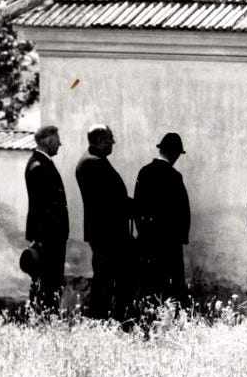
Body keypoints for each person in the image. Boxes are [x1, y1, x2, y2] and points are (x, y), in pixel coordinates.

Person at [75, 124, 133, 321]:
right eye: (110, 138)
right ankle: (101, 320)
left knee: (106, 279)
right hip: (108, 234)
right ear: (100, 140)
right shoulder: (94, 163)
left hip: (105, 232)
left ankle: (104, 320)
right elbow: (111, 201)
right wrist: (138, 206)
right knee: (106, 280)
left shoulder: (93, 161)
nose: (113, 142)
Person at [134, 132, 191, 305]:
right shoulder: (173, 176)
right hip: (169, 242)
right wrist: (182, 237)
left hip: (147, 240)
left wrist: (143, 232)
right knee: (171, 286)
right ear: (174, 153)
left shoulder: (144, 172)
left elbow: (137, 206)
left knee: (149, 284)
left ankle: (146, 316)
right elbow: (182, 210)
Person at [23, 124, 69, 313]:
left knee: (48, 283)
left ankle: (44, 316)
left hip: (49, 237)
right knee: (47, 283)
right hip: (48, 238)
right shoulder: (39, 166)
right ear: (49, 141)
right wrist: (40, 240)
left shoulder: (42, 163)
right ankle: (43, 317)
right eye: (57, 141)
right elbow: (42, 207)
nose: (60, 144)